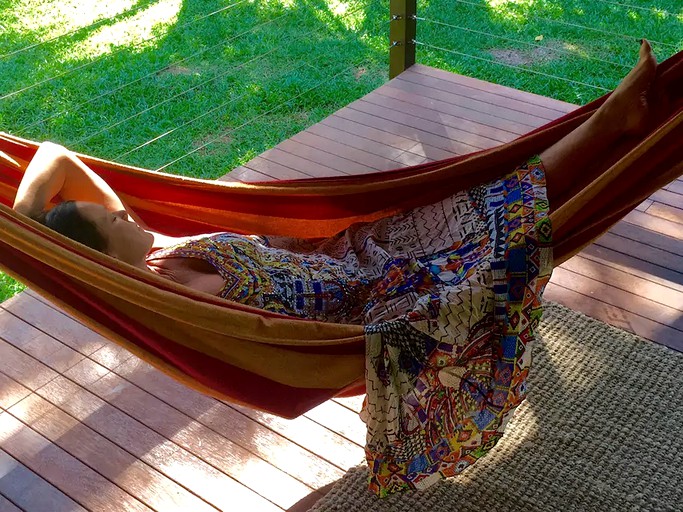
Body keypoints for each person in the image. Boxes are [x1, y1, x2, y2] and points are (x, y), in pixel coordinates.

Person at [12, 41, 666, 494]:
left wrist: (29, 219)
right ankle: (615, 123)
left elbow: (55, 156)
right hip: (373, 296)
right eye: (115, 221)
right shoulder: (169, 290)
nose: (127, 214)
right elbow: (269, 334)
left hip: (354, 254)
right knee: (494, 216)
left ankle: (613, 123)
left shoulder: (145, 250)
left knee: (473, 199)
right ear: (106, 260)